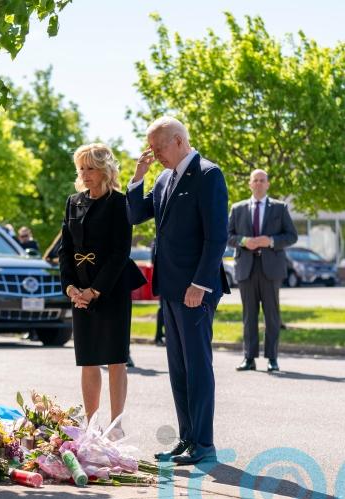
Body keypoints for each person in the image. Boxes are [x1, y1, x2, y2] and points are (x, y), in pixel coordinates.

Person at [126, 116, 229, 465]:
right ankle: (187, 438)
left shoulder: (208, 174)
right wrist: (138, 177)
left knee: (197, 366)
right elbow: (134, 214)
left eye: (158, 148)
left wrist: (200, 283)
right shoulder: (163, 178)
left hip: (195, 288)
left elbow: (217, 236)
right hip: (170, 288)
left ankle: (204, 443)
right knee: (179, 369)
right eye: (151, 149)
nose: (154, 154)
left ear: (179, 141)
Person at [59, 143, 145, 430]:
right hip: (80, 291)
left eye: (91, 168)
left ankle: (115, 425)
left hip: (111, 289)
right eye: (81, 168)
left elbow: (121, 252)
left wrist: (95, 291)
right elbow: (65, 249)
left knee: (115, 358)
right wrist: (71, 288)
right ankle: (91, 425)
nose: (85, 174)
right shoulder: (73, 202)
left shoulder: (120, 203)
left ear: (105, 170)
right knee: (88, 359)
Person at [228, 169, 297, 372]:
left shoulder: (280, 208)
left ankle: (272, 359)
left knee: (272, 316)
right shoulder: (237, 208)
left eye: (262, 180)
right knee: (249, 315)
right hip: (246, 268)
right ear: (250, 184)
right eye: (255, 180)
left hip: (271, 269)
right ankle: (248, 358)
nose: (258, 183)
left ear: (268, 184)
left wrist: (271, 241)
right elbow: (227, 235)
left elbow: (291, 236)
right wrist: (243, 241)